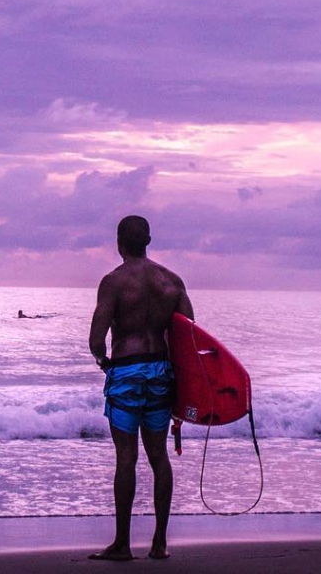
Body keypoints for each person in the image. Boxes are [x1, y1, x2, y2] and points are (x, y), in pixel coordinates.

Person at [88, 215, 194, 561]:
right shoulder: (172, 282)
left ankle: (122, 544)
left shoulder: (114, 282)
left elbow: (95, 340)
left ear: (119, 242)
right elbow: (189, 338)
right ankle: (159, 543)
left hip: (126, 373)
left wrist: (106, 364)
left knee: (126, 458)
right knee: (159, 456)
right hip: (161, 373)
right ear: (148, 241)